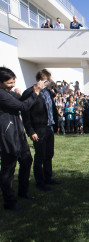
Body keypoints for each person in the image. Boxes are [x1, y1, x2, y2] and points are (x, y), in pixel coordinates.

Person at [0, 67, 44, 210]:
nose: (13, 85)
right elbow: (23, 106)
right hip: (7, 134)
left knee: (26, 160)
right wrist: (36, 92)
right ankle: (10, 201)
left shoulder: (9, 93)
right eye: (9, 83)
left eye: (14, 82)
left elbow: (23, 97)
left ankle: (23, 191)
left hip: (18, 132)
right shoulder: (1, 95)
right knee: (9, 168)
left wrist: (34, 89)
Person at [21, 69, 60, 193]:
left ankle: (48, 177)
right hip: (38, 129)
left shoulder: (48, 92)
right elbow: (25, 113)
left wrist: (56, 124)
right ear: (39, 80)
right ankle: (40, 182)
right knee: (40, 156)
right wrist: (31, 131)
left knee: (49, 154)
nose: (47, 83)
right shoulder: (29, 92)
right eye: (45, 81)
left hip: (49, 127)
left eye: (48, 81)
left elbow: (52, 109)